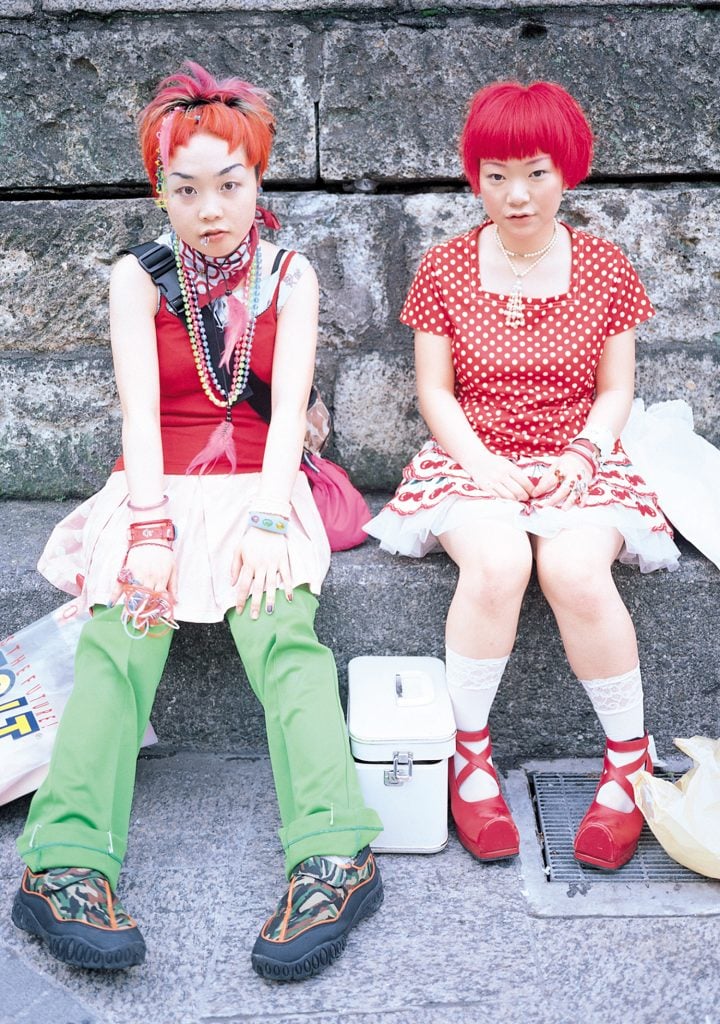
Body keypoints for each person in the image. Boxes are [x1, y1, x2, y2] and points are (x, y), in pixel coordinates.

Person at [12, 62, 383, 981]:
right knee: (122, 635)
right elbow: (139, 414)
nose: (210, 208)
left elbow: (288, 408)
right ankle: (64, 864)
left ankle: (336, 854)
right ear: (159, 190)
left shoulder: (288, 277)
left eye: (231, 185)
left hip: (260, 481)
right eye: (186, 189)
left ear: (258, 182)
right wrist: (147, 532)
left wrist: (265, 523)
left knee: (282, 633)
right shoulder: (135, 278)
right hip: (156, 482)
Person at [365, 81, 679, 871]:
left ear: (566, 171)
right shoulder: (444, 268)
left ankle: (629, 760)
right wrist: (483, 466)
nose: (516, 194)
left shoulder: (605, 268)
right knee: (500, 561)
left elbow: (616, 389)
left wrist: (581, 456)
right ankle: (467, 758)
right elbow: (435, 391)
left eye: (536, 171)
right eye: (497, 173)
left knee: (574, 567)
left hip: (581, 456)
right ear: (475, 176)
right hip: (474, 455)